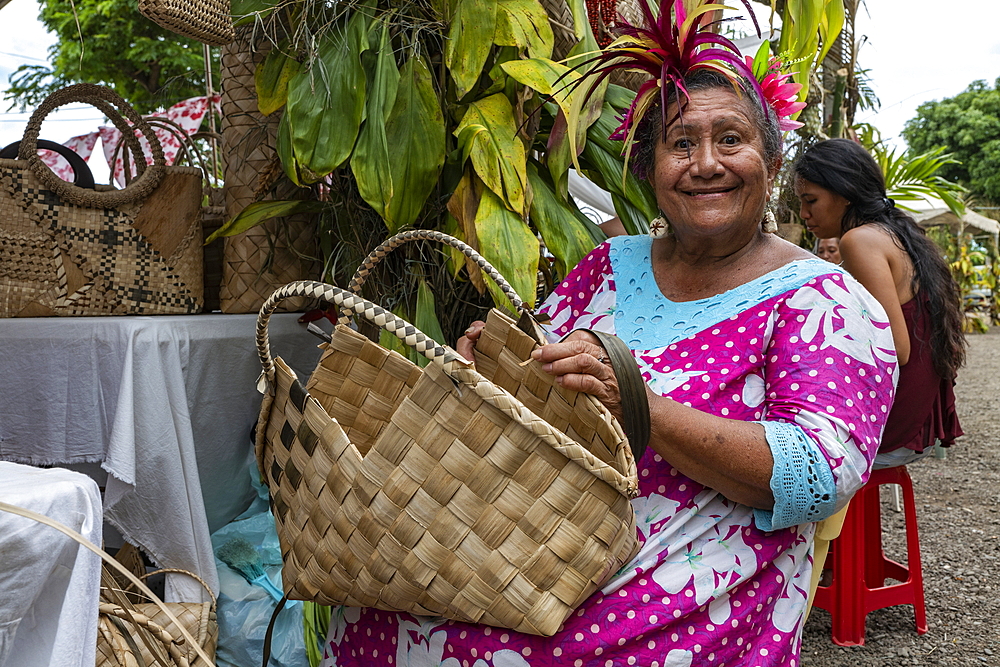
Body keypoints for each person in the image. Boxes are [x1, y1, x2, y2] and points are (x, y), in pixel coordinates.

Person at [319, 8, 896, 667]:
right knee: (378, 605)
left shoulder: (821, 299)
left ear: (771, 160)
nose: (705, 164)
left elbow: (818, 476)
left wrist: (637, 403)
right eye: (681, 145)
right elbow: (540, 392)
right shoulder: (609, 265)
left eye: (729, 139)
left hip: (682, 590)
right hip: (538, 546)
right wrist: (495, 363)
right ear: (649, 168)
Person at [794, 139, 965, 468]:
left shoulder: (858, 240)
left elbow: (896, 349)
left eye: (811, 200)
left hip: (892, 427)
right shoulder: (895, 232)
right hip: (920, 417)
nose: (804, 214)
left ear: (844, 193)